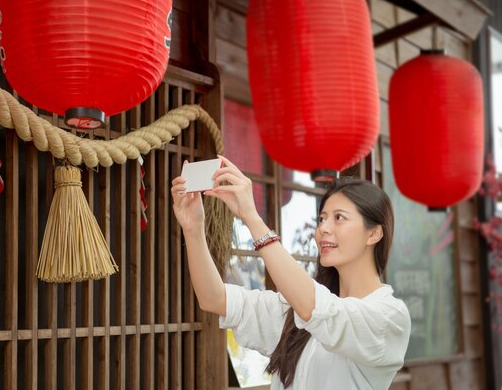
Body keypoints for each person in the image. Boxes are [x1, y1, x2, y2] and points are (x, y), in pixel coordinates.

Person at [171, 155, 411, 390]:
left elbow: (317, 309)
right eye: (322, 218)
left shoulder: (389, 317)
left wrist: (252, 218)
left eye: (339, 218)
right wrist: (193, 228)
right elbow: (214, 298)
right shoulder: (294, 310)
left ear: (374, 234)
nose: (323, 229)